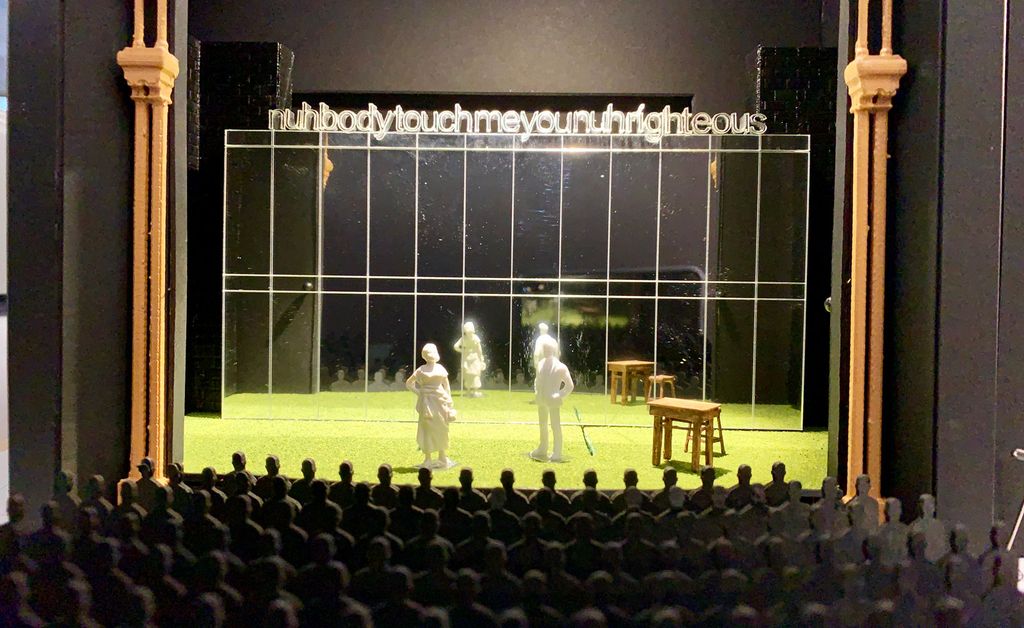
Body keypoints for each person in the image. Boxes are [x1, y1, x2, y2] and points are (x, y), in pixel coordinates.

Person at [407, 343, 457, 469]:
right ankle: (441, 457)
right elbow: (447, 386)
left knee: (429, 429)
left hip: (430, 401)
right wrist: (449, 399)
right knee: (440, 428)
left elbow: (409, 384)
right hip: (437, 400)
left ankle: (432, 459)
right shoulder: (439, 369)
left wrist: (420, 393)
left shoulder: (422, 370)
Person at [530, 337, 574, 463]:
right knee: (543, 425)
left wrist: (559, 395)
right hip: (542, 399)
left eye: (548, 349)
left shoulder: (560, 367)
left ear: (553, 350)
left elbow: (569, 386)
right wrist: (537, 393)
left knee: (555, 426)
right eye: (544, 349)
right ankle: (543, 447)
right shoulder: (540, 364)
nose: (546, 351)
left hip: (553, 400)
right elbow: (538, 381)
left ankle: (557, 451)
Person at [454, 321, 486, 398]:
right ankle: (468, 391)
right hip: (467, 359)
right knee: (468, 375)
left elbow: (479, 349)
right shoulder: (463, 338)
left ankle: (475, 391)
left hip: (475, 359)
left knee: (475, 375)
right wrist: (463, 351)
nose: (469, 333)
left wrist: (481, 358)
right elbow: (455, 346)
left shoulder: (475, 338)